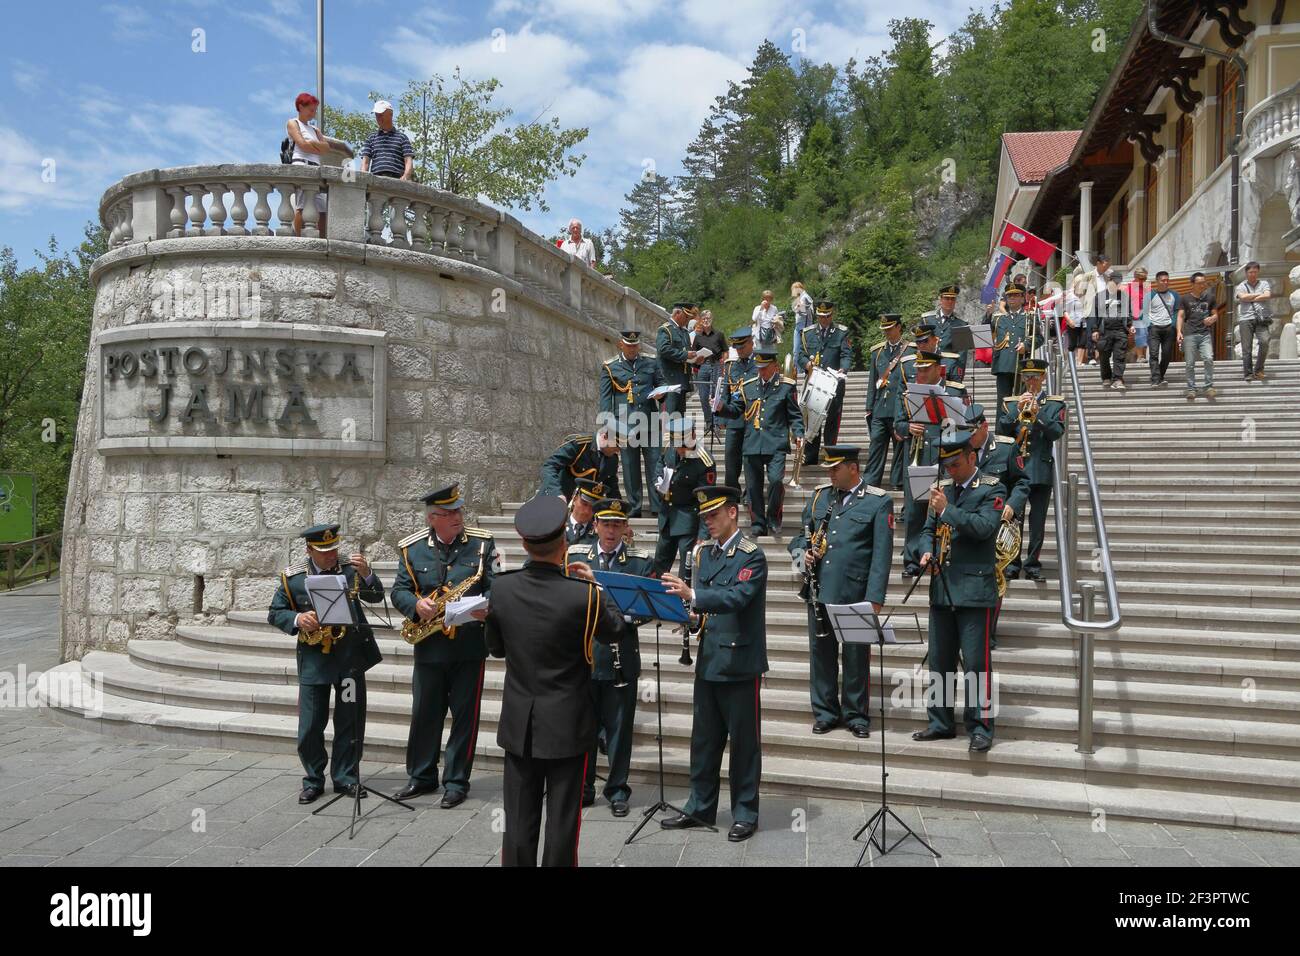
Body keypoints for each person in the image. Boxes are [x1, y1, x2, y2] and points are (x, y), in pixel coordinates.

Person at [486, 495, 627, 866]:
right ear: (564, 541)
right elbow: (617, 631)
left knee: (517, 821)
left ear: (523, 544)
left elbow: (496, 649)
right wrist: (597, 586)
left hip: (520, 724)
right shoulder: (585, 596)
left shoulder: (501, 589)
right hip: (568, 723)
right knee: (563, 823)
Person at [661, 485, 768, 841]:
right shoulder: (703, 553)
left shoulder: (752, 555)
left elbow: (738, 597)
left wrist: (694, 595)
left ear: (733, 513)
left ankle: (745, 812)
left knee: (743, 744)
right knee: (704, 741)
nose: (708, 522)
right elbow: (702, 607)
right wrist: (688, 614)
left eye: (714, 515)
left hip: (740, 661)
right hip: (709, 658)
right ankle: (700, 806)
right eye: (705, 516)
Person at [390, 485, 498, 807]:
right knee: (425, 714)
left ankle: (456, 781)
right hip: (430, 645)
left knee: (465, 717)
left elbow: (497, 586)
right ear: (432, 518)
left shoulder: (482, 543)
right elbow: (399, 590)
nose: (457, 518)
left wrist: (488, 605)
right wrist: (416, 605)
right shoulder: (412, 549)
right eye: (449, 514)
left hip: (468, 647)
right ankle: (421, 777)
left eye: (459, 511)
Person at [267, 524, 385, 803]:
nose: (332, 554)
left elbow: (376, 596)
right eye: (324, 551)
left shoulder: (351, 570)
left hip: (348, 660)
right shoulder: (294, 578)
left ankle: (346, 777)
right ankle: (313, 779)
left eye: (334, 548)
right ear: (309, 550)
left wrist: (368, 575)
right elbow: (275, 612)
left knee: (350, 721)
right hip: (314, 662)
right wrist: (297, 619)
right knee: (310, 724)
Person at [788, 445, 892, 738]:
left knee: (857, 656)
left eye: (835, 469)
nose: (830, 474)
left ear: (853, 468)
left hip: (855, 591)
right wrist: (801, 555)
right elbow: (799, 537)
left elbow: (881, 556)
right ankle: (825, 712)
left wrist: (875, 599)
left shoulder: (877, 502)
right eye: (829, 469)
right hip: (819, 590)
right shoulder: (821, 496)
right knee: (821, 655)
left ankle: (856, 714)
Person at [912, 432, 1005, 753]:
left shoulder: (992, 488)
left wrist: (948, 510)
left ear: (971, 458)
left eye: (955, 463)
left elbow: (983, 529)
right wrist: (925, 551)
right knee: (939, 661)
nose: (949, 469)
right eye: (945, 464)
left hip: (974, 589)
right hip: (941, 587)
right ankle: (940, 721)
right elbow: (926, 532)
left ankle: (980, 726)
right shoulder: (942, 491)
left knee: (976, 664)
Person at [567, 498, 653, 816]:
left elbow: (647, 607)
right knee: (584, 728)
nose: (611, 530)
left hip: (621, 655)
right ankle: (585, 787)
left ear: (625, 527)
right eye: (606, 523)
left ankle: (617, 789)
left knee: (619, 730)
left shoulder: (640, 562)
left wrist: (625, 619)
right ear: (595, 526)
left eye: (617, 524)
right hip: (586, 657)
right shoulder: (576, 556)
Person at [716, 347, 803, 536]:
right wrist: (721, 407)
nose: (761, 371)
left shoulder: (786, 386)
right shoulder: (748, 386)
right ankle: (758, 523)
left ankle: (773, 517)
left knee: (775, 482)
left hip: (776, 444)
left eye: (765, 367)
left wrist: (798, 433)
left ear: (775, 367)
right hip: (752, 443)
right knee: (753, 486)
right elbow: (736, 410)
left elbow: (794, 415)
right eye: (759, 367)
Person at [966, 403, 1030, 650]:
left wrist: (1013, 505)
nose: (969, 436)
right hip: (970, 521)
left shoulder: (1005, 447)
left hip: (998, 524)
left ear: (984, 426)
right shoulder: (961, 448)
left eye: (972, 431)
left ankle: (988, 632)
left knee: (994, 578)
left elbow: (1023, 482)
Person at [997, 359, 1066, 580]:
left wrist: (1040, 415)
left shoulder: (1055, 404)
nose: (1030, 382)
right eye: (1026, 377)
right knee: (1013, 519)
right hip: (1016, 470)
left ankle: (1033, 564)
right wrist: (1017, 411)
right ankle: (1011, 563)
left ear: (1043, 377)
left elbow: (1056, 433)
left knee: (1037, 522)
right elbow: (1001, 430)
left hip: (1039, 468)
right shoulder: (1010, 403)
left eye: (1035, 377)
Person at [893, 348, 950, 577]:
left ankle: (941, 555)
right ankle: (912, 559)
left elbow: (963, 422)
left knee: (941, 510)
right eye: (919, 369)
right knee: (915, 510)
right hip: (916, 457)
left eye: (926, 369)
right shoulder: (907, 394)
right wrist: (908, 427)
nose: (921, 373)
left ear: (938, 369)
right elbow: (897, 423)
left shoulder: (952, 391)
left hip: (943, 458)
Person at [599, 329, 663, 518]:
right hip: (624, 424)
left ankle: (657, 507)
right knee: (629, 466)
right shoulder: (610, 367)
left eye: (635, 346)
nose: (633, 349)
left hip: (649, 420)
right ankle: (634, 507)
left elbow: (661, 382)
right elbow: (605, 400)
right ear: (621, 345)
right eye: (629, 346)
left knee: (654, 464)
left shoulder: (651, 362)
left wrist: (662, 393)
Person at [652, 418, 717, 576]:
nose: (680, 450)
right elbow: (660, 464)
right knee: (659, 564)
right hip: (667, 515)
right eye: (677, 445)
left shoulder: (704, 461)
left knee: (686, 565)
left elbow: (706, 501)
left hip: (688, 516)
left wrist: (703, 535)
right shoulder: (670, 447)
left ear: (693, 436)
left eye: (683, 445)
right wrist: (658, 481)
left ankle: (683, 599)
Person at [798, 299, 852, 466]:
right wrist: (806, 364)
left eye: (827, 316)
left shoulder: (841, 332)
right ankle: (811, 455)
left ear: (831, 315)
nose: (824, 319)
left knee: (832, 420)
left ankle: (830, 452)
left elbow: (846, 354)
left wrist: (843, 369)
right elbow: (800, 354)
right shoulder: (807, 333)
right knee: (811, 417)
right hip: (814, 381)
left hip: (834, 383)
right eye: (821, 316)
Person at [863, 313, 909, 490]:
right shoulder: (878, 352)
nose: (887, 333)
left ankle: (897, 481)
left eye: (890, 329)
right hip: (880, 408)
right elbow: (872, 382)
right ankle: (870, 481)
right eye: (885, 330)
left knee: (899, 447)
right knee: (876, 444)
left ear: (898, 327)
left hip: (899, 409)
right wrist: (869, 407)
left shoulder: (910, 350)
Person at [286, 93, 329, 238]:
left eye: (315, 110)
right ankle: (297, 237)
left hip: (316, 167)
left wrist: (314, 143)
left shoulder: (315, 130)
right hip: (301, 165)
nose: (313, 113)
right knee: (301, 205)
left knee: (322, 207)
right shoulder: (293, 123)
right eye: (311, 109)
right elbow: (302, 145)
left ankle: (322, 237)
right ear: (300, 107)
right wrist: (316, 146)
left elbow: (326, 148)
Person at [538, 426, 621, 500]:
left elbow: (612, 487)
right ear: (605, 437)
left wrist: (618, 511)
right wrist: (556, 493)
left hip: (584, 507)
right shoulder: (580, 444)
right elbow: (549, 466)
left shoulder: (612, 458)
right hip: (557, 499)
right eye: (616, 446)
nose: (617, 451)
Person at [718, 329, 756, 489]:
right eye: (737, 348)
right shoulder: (731, 366)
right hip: (734, 419)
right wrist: (721, 418)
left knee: (750, 460)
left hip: (753, 419)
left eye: (742, 347)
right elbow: (726, 392)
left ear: (751, 343)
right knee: (731, 459)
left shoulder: (761, 364)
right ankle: (732, 491)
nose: (739, 351)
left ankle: (750, 493)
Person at [1178, 271, 1223, 400]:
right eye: (1199, 283)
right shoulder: (1185, 298)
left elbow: (1215, 314)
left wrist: (1212, 319)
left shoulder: (1210, 297)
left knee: (1208, 358)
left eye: (1203, 283)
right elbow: (1180, 316)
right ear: (1192, 284)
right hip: (1190, 334)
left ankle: (1208, 386)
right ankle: (1191, 388)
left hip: (1205, 334)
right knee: (1190, 363)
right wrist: (1179, 332)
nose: (1202, 285)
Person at [990, 282, 1033, 412]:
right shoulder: (998, 319)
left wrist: (1026, 345)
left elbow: (1039, 337)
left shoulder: (1029, 317)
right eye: (1009, 296)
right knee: (1002, 402)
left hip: (1021, 364)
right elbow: (986, 331)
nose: (1012, 298)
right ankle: (1001, 430)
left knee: (1022, 399)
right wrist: (988, 314)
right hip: (1002, 364)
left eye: (1015, 295)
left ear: (1022, 298)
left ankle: (1020, 429)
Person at [1091, 269, 1133, 390]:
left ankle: (1118, 379)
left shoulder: (1124, 296)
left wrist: (1130, 325)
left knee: (1119, 356)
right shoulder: (1100, 296)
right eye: (1115, 281)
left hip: (1120, 331)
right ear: (1109, 281)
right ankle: (1106, 377)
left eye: (1119, 282)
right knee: (1104, 356)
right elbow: (1094, 314)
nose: (1117, 284)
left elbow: (1129, 312)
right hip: (1104, 331)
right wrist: (1095, 330)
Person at [656, 303, 698, 418]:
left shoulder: (684, 332)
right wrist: (685, 355)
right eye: (686, 317)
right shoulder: (665, 330)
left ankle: (678, 437)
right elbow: (663, 349)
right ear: (678, 313)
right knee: (668, 417)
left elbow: (687, 352)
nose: (688, 320)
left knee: (679, 418)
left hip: (682, 381)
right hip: (670, 381)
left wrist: (696, 358)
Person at [1235, 261, 1273, 383]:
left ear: (1258, 272)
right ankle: (1248, 373)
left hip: (1261, 318)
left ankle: (1259, 370)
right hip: (1245, 319)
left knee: (1265, 341)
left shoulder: (1264, 283)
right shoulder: (1241, 286)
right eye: (1250, 272)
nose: (1253, 274)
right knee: (1246, 348)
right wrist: (1258, 295)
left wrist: (1250, 296)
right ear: (1246, 273)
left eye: (1255, 272)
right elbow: (1242, 297)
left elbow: (1267, 295)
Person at [691, 310, 727, 435]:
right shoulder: (698, 337)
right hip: (703, 367)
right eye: (704, 318)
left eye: (708, 318)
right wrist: (697, 360)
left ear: (712, 319)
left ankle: (716, 423)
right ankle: (708, 422)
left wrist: (724, 363)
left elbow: (725, 351)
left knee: (714, 395)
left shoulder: (719, 334)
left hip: (716, 364)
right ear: (700, 320)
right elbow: (693, 354)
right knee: (702, 396)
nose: (706, 320)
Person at [1143, 271, 1180, 388]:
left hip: (1169, 328)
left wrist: (1174, 324)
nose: (1165, 282)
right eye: (1163, 280)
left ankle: (1160, 375)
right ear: (1157, 281)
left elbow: (1177, 311)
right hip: (1154, 328)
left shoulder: (1175, 295)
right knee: (1153, 354)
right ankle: (1155, 379)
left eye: (1167, 280)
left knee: (1167, 355)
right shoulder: (1149, 295)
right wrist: (1149, 325)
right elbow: (1143, 312)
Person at [926, 284, 971, 384]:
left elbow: (962, 355)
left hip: (950, 371)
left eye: (952, 299)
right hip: (929, 369)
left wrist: (958, 376)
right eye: (947, 298)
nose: (950, 302)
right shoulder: (928, 321)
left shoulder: (961, 324)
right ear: (940, 300)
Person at [359, 100, 413, 180]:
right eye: (376, 115)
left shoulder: (402, 137)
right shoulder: (371, 137)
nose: (378, 117)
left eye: (381, 114)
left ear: (390, 114)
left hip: (397, 181)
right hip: (375, 180)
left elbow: (408, 160)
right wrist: (363, 179)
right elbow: (365, 162)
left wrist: (405, 177)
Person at [565, 478, 604, 546]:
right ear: (574, 499)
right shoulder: (559, 525)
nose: (587, 511)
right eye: (584, 504)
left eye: (592, 507)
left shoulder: (599, 533)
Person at [1124, 268, 1151, 364]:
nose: (1143, 280)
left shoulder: (1146, 287)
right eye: (1141, 278)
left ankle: (1141, 355)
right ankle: (1140, 356)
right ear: (1135, 277)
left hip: (1145, 314)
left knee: (1146, 336)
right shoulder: (1129, 288)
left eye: (1145, 278)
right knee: (1140, 334)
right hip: (1134, 315)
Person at [790, 281, 815, 371]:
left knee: (800, 351)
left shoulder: (805, 297)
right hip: (799, 327)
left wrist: (799, 307)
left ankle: (800, 372)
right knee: (796, 351)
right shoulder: (800, 297)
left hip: (804, 328)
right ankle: (797, 370)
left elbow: (806, 312)